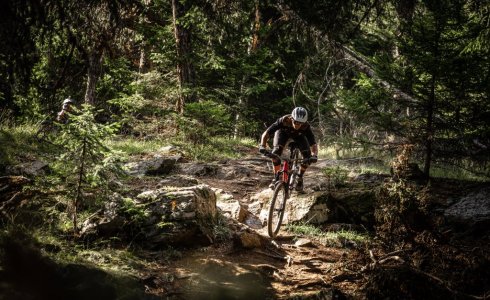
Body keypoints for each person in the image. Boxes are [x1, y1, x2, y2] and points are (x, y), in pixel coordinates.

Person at [259, 107, 318, 191]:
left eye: (300, 123)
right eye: (296, 122)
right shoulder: (284, 120)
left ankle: (300, 177)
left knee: (307, 157)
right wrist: (262, 146)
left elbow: (313, 143)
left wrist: (314, 155)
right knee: (275, 153)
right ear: (291, 118)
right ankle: (276, 177)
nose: (297, 124)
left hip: (300, 136)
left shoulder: (306, 126)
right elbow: (267, 133)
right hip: (283, 133)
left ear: (303, 122)